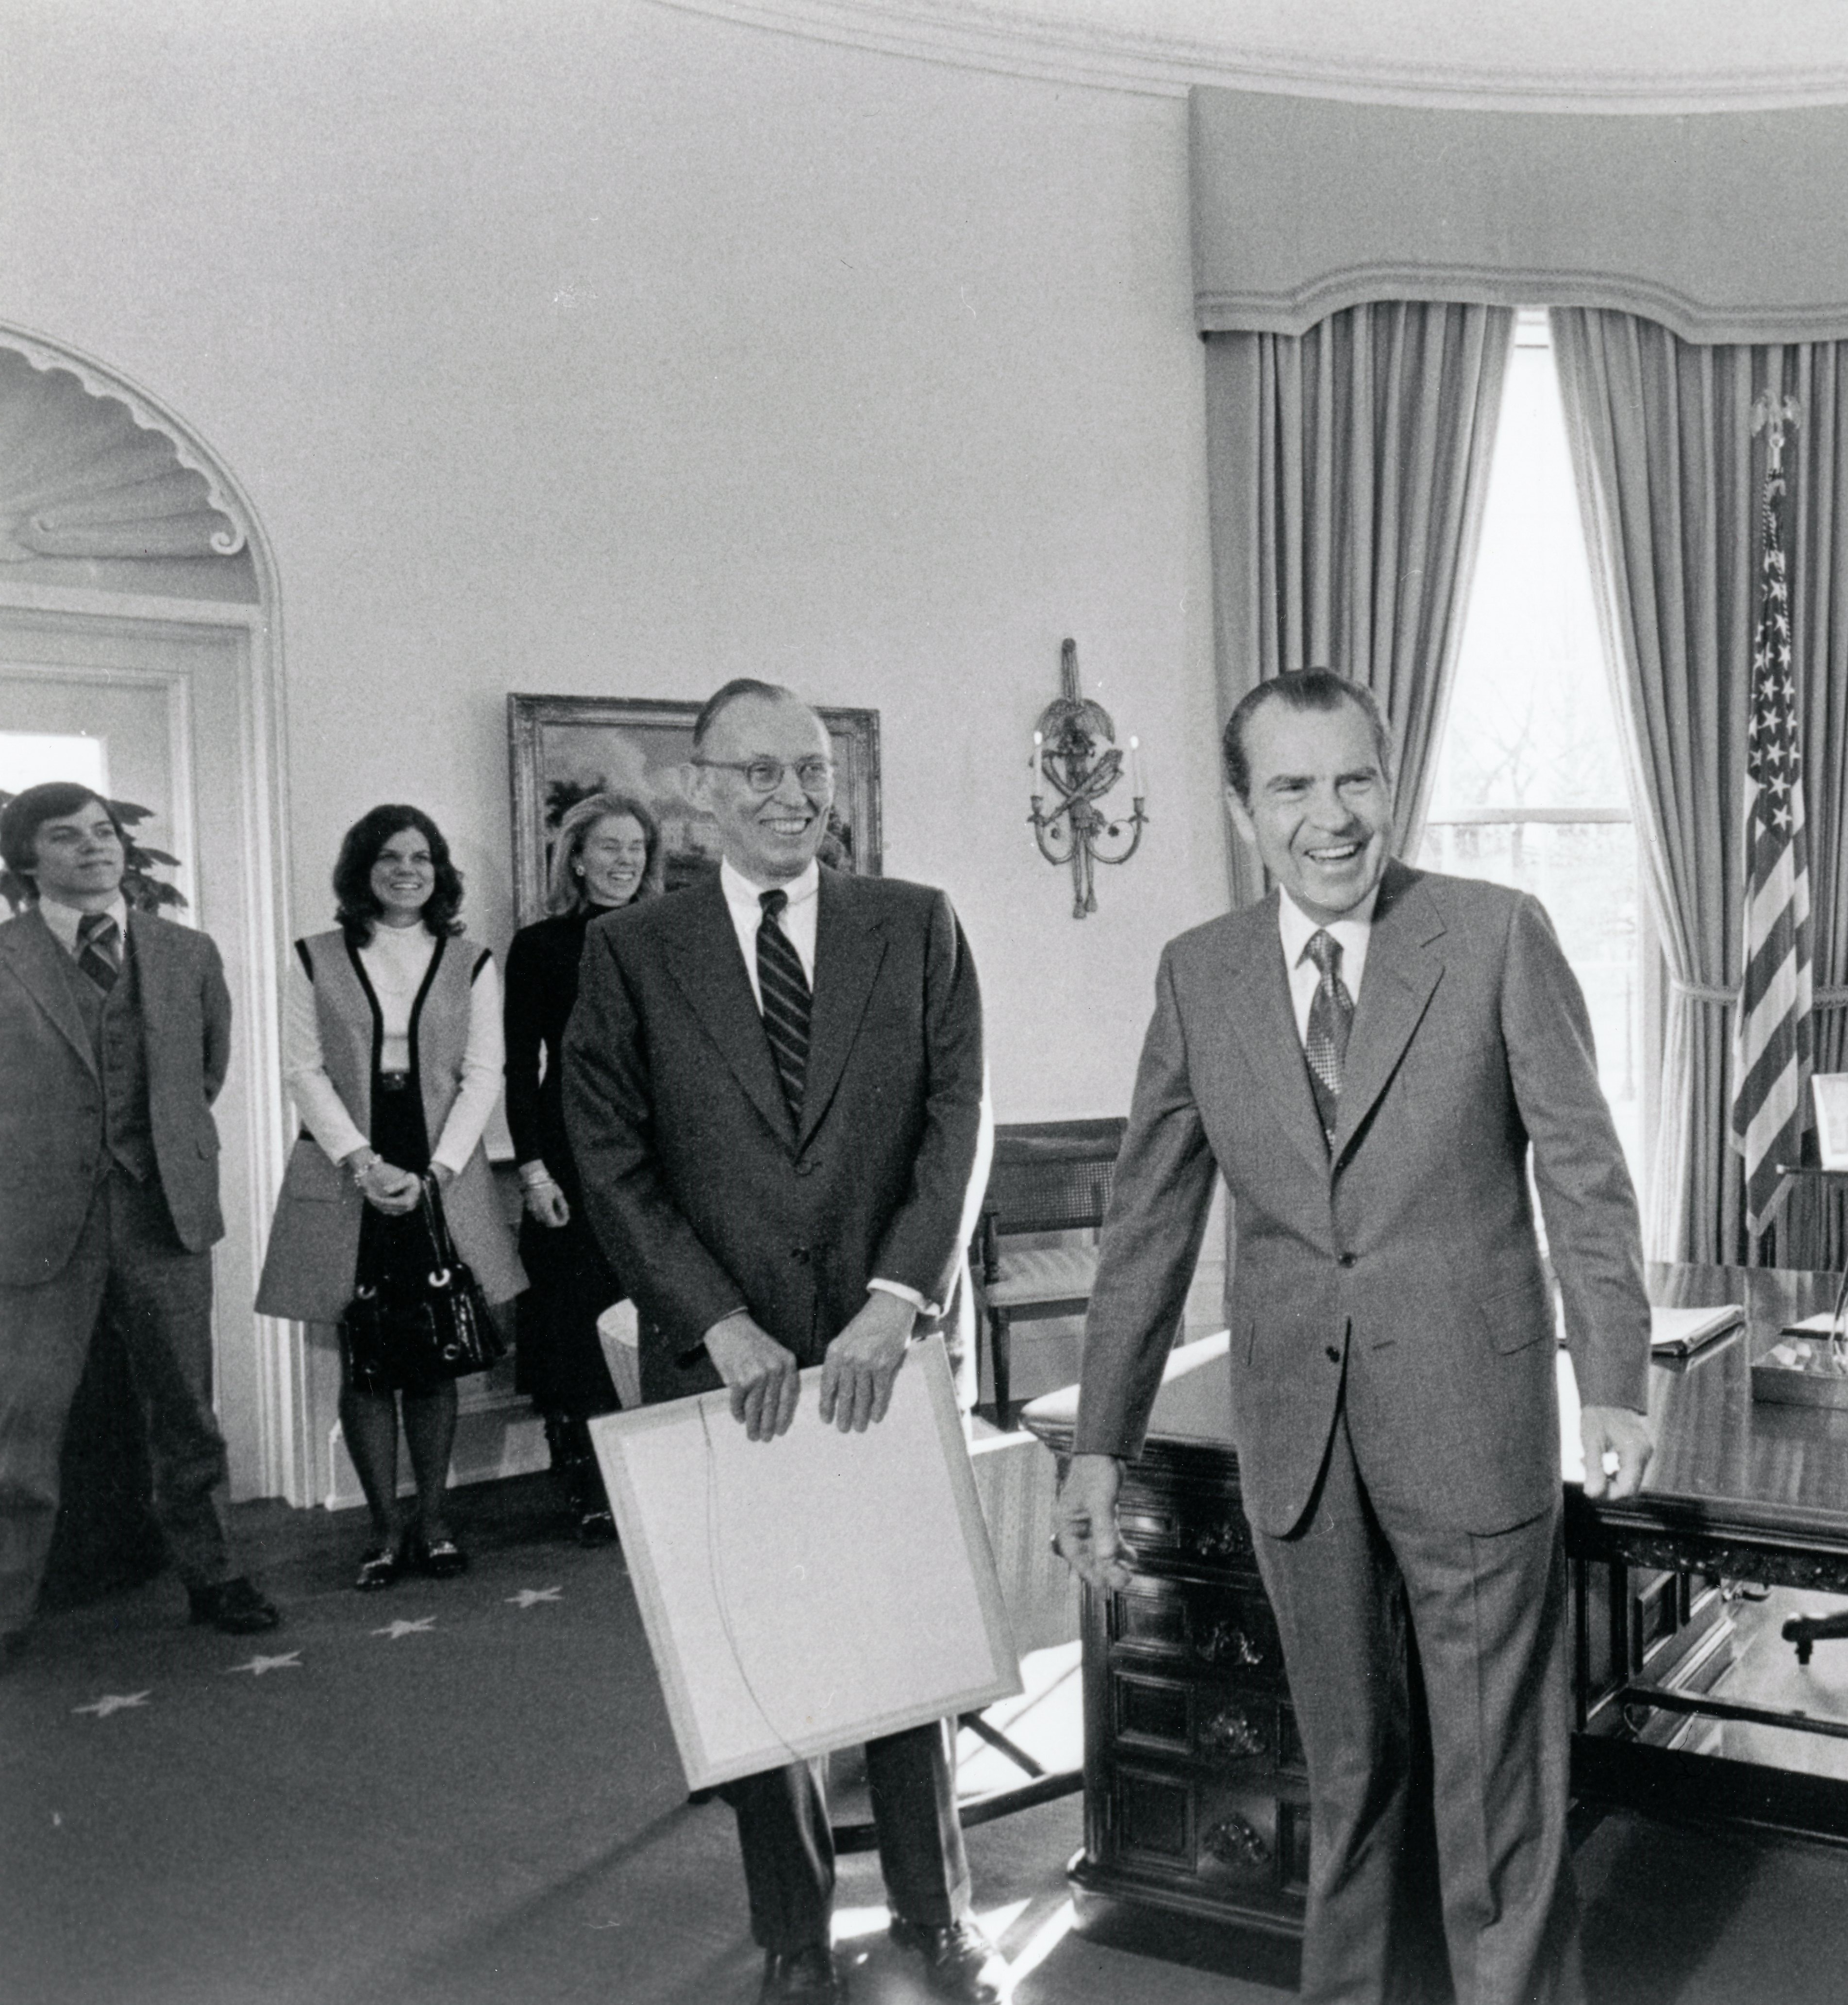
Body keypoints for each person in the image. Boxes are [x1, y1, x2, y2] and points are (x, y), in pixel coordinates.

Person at [1055, 669, 1654, 2005]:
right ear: (1240, 808)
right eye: (1292, 787)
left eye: (1355, 780)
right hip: (1297, 1441)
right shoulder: (1198, 975)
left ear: (1393, 783)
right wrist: (1099, 1442)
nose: (1330, 817)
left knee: (1497, 1789)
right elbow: (1148, 1221)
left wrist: (1613, 1377)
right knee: (1346, 1776)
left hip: (1472, 1416)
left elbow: (1584, 1171)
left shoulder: (1494, 934)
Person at [560, 678, 996, 2005]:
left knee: (905, 1640)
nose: (791, 794)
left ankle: (935, 1913)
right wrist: (717, 1319)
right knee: (757, 1656)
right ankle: (793, 1932)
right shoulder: (634, 953)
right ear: (699, 789)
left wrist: (897, 1295)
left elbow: (956, 1118)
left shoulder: (916, 927)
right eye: (756, 772)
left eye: (809, 768)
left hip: (886, 1344)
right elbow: (608, 1154)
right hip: (725, 1363)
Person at [0, 783, 279, 1666]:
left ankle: (215, 1576)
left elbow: (206, 1071)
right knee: (23, 1422)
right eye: (66, 837)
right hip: (40, 1223)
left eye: (104, 831)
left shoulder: (184, 951)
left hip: (163, 1211)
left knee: (186, 1409)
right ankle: (5, 1607)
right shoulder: (3, 956)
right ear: (26, 860)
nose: (96, 847)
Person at [255, 805, 526, 1591]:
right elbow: (303, 1071)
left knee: (438, 1352)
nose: (406, 870)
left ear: (439, 871)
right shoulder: (315, 957)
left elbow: (484, 1074)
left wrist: (436, 1172)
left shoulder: (471, 960)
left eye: (421, 858)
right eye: (389, 857)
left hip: (439, 1167)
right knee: (365, 1353)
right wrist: (364, 1163)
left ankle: (434, 1523)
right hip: (354, 1170)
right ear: (361, 869)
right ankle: (381, 1530)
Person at [503, 791, 661, 1544]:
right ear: (575, 857)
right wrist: (533, 1173)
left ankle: (653, 1479)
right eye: (609, 847)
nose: (624, 860)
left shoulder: (670, 937)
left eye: (636, 847)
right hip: (568, 1152)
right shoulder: (539, 947)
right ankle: (593, 1483)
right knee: (579, 1318)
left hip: (655, 1151)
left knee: (654, 1312)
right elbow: (515, 1066)